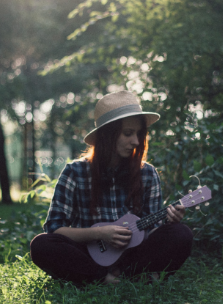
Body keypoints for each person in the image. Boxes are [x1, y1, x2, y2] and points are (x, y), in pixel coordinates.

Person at [30, 90, 193, 286]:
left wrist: (168, 221)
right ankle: (106, 277)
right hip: (89, 254)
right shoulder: (75, 172)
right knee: (41, 245)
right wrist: (99, 233)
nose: (135, 141)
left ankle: (120, 274)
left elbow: (154, 231)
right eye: (127, 133)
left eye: (139, 134)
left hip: (133, 255)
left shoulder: (147, 173)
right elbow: (55, 229)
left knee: (181, 234)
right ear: (107, 135)